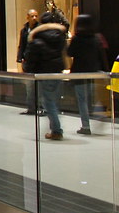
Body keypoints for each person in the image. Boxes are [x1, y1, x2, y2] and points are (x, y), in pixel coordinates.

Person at [25, 12, 69, 140]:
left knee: (48, 102)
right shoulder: (60, 38)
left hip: (44, 73)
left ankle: (56, 130)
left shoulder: (37, 40)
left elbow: (31, 58)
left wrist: (28, 70)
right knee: (53, 100)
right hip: (57, 72)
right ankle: (54, 128)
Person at [67, 14, 108, 135]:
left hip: (79, 73)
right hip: (93, 72)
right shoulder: (97, 38)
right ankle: (100, 113)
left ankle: (85, 126)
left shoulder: (77, 39)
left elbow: (70, 53)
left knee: (82, 100)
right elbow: (102, 55)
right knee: (93, 97)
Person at [17, 9, 40, 114]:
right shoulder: (24, 30)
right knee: (29, 86)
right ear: (28, 17)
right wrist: (20, 57)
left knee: (37, 86)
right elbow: (22, 45)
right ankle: (31, 107)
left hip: (37, 60)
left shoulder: (40, 29)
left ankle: (39, 107)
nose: (34, 18)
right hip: (27, 60)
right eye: (32, 16)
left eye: (36, 16)